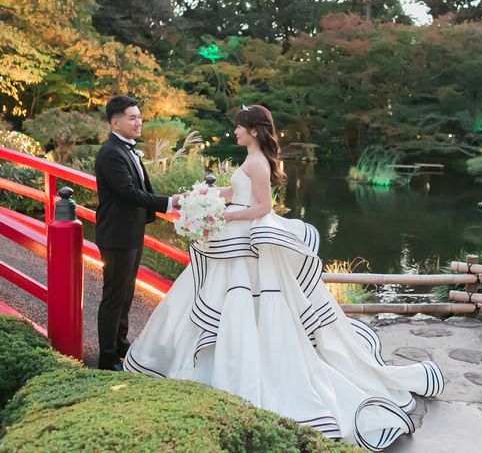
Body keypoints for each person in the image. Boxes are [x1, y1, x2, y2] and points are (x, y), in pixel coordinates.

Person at [124, 105, 444, 449]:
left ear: (254, 130)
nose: (235, 131)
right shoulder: (251, 159)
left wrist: (225, 217)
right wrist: (205, 199)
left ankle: (244, 371)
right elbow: (237, 194)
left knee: (243, 300)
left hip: (245, 238)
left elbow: (263, 207)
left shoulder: (259, 162)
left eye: (240, 127)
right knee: (217, 295)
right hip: (237, 236)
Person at [95, 95, 181, 371]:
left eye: (139, 117)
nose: (138, 122)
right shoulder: (111, 153)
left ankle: (120, 343)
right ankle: (107, 357)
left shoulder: (126, 150)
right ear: (115, 123)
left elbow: (141, 189)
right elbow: (129, 193)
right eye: (132, 118)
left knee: (127, 292)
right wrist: (169, 202)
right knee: (114, 296)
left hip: (130, 232)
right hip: (117, 235)